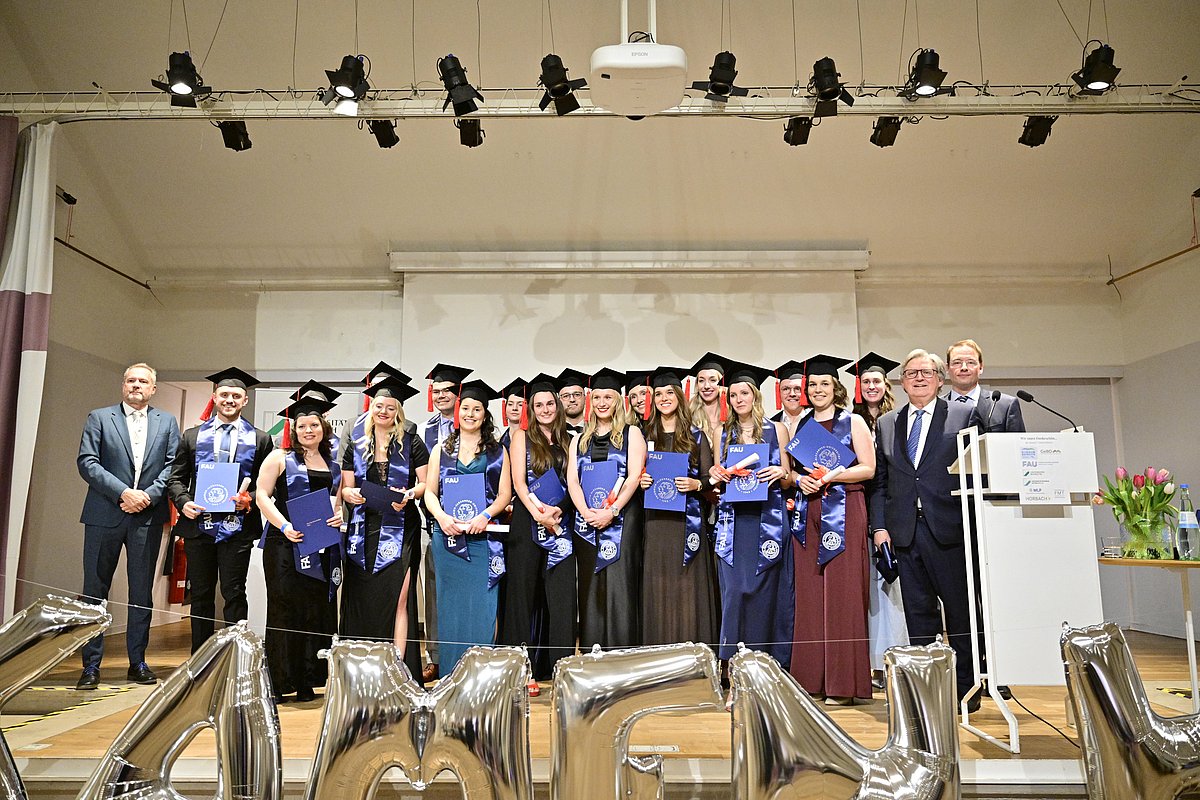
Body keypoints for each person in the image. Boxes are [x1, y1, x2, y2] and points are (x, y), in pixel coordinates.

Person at [869, 349, 981, 708]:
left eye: (926, 372)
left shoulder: (963, 415)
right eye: (911, 373)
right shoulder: (888, 423)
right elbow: (880, 482)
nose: (918, 378)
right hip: (905, 532)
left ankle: (966, 689)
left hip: (950, 529)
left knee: (960, 614)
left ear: (939, 379)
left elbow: (978, 470)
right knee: (919, 616)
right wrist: (879, 527)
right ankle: (928, 690)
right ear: (902, 382)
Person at [76, 363, 181, 689]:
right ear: (123, 385)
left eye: (143, 381)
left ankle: (138, 662)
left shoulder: (167, 422)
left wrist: (147, 497)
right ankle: (90, 666)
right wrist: (123, 492)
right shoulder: (99, 417)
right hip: (104, 514)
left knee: (141, 593)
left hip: (147, 517)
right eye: (131, 380)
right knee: (94, 592)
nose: (136, 385)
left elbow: (172, 466)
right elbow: (87, 462)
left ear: (153, 389)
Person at [786, 355, 876, 703]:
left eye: (824, 383)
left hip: (845, 507)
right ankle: (812, 679)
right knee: (810, 595)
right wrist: (802, 481)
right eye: (813, 385)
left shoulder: (853, 421)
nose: (818, 389)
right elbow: (794, 471)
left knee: (843, 594)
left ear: (835, 387)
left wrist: (833, 476)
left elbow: (868, 468)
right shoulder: (802, 426)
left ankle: (843, 684)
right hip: (810, 510)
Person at [167, 367, 273, 655]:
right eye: (224, 394)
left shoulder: (260, 439)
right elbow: (175, 478)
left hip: (237, 528)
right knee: (201, 594)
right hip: (198, 526)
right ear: (214, 397)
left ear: (245, 400)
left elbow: (268, 484)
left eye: (236, 396)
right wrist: (183, 502)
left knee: (234, 592)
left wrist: (249, 498)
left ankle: (235, 656)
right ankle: (200, 657)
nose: (229, 400)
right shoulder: (192, 436)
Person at [705, 360, 794, 669]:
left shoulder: (777, 429)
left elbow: (788, 478)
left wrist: (781, 471)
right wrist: (716, 474)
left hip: (768, 519)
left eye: (744, 393)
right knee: (735, 592)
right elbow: (717, 478)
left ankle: (767, 666)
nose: (738, 399)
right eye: (733, 395)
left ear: (755, 395)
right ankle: (733, 665)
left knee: (766, 593)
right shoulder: (721, 432)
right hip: (734, 523)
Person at [255, 390, 341, 703]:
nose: (308, 430)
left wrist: (339, 516)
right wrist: (284, 526)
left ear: (323, 428)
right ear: (294, 429)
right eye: (302, 426)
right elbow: (261, 495)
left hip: (319, 545)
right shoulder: (279, 458)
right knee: (283, 610)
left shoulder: (332, 464)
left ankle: (307, 681)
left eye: (314, 425)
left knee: (313, 611)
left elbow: (336, 501)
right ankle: (279, 682)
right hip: (284, 543)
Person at [340, 375, 428, 681]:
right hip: (363, 529)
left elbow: (426, 483)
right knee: (363, 598)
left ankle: (398, 671)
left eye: (391, 408)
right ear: (371, 407)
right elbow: (346, 488)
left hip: (401, 526)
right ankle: (362, 670)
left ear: (398, 411)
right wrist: (350, 494)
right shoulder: (356, 445)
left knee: (399, 598)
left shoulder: (412, 443)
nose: (384, 412)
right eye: (379, 406)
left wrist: (410, 494)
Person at [424, 380, 513, 675]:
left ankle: (480, 676)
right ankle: (452, 675)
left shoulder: (498, 452)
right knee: (450, 608)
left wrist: (485, 515)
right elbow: (430, 493)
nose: (470, 414)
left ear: (485, 415)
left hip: (482, 539)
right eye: (465, 408)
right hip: (448, 539)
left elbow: (504, 495)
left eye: (477, 409)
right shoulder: (440, 450)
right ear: (457, 412)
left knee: (483, 607)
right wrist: (441, 518)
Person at [499, 373, 576, 689]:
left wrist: (559, 511)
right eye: (539, 405)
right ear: (531, 409)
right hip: (527, 522)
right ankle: (522, 670)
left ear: (558, 406)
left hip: (561, 523)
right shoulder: (521, 437)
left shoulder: (570, 440)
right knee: (523, 595)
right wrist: (537, 514)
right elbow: (519, 482)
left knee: (560, 598)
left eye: (549, 404)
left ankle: (560, 668)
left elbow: (574, 482)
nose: (545, 409)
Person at [637, 366, 719, 647]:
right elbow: (632, 474)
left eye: (669, 393)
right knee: (659, 583)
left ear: (679, 397)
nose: (664, 399)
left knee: (687, 586)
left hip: (687, 521)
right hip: (656, 523)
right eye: (658, 394)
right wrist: (642, 480)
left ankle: (691, 651)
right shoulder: (644, 435)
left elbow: (709, 478)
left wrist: (696, 485)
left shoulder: (697, 436)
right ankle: (659, 651)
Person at [567, 368, 648, 649]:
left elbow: (634, 477)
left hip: (624, 519)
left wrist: (611, 512)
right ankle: (593, 651)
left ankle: (622, 650)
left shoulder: (631, 433)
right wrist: (585, 512)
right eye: (598, 397)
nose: (602, 403)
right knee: (590, 584)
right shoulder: (579, 439)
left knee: (619, 582)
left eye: (608, 398)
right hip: (587, 521)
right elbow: (573, 481)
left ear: (618, 401)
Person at [846, 352, 908, 689]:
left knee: (890, 586)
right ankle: (869, 662)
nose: (871, 386)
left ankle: (894, 658)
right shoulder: (850, 421)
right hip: (856, 503)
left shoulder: (897, 420)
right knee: (866, 587)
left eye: (877, 381)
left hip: (888, 505)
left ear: (886, 385)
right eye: (866, 381)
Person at [419, 363, 473, 682]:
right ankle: (437, 657)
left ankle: (470, 654)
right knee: (436, 588)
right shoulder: (424, 431)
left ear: (459, 394)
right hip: (436, 518)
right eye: (435, 391)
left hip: (472, 521)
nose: (440, 396)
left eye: (446, 391)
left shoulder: (478, 428)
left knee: (469, 589)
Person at [944, 339, 1024, 433]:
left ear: (981, 367)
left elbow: (1017, 442)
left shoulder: (1005, 405)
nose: (964, 368)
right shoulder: (936, 406)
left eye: (970, 362)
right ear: (947, 368)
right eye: (957, 363)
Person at [689, 353, 731, 451]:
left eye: (713, 380)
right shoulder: (689, 416)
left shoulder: (732, 414)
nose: (706, 386)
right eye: (701, 380)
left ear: (721, 383)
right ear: (697, 384)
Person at [557, 368, 588, 434]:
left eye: (577, 395)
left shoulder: (597, 429)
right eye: (566, 396)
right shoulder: (551, 432)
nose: (572, 400)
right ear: (559, 400)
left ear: (585, 397)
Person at [498, 377, 526, 450]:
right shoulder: (499, 441)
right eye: (510, 404)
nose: (514, 408)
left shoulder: (536, 439)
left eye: (520, 404)